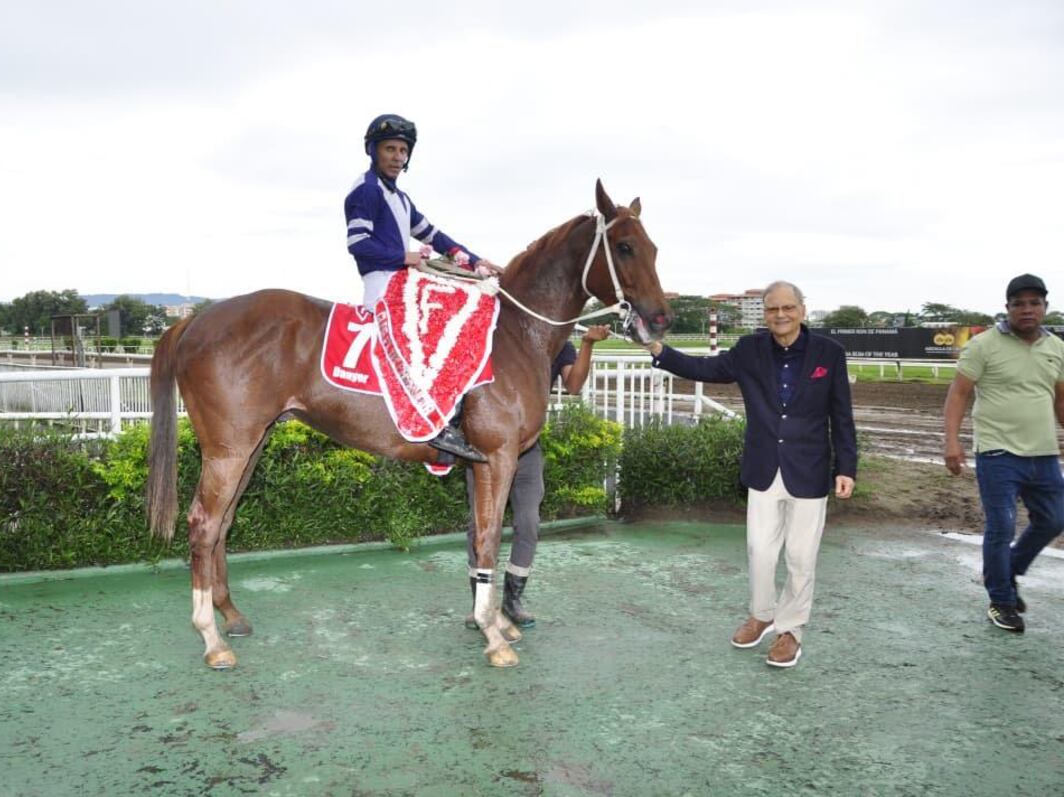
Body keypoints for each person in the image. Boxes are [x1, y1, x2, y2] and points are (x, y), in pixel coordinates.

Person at [645, 281, 857, 668]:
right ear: (764, 313)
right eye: (773, 309)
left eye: (788, 308)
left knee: (800, 556)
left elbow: (841, 415)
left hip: (809, 470)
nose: (781, 315)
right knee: (760, 551)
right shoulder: (749, 351)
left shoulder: (830, 354)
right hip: (762, 468)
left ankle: (790, 630)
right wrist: (657, 349)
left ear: (802, 310)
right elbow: (702, 368)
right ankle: (762, 614)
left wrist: (846, 467)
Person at [344, 113, 500, 463]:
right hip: (382, 282)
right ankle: (437, 422)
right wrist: (405, 256)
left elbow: (434, 235)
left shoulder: (400, 197)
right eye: (390, 149)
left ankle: (453, 411)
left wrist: (474, 260)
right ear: (374, 151)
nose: (398, 156)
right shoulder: (366, 190)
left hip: (401, 277)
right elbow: (358, 244)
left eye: (403, 150)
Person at [465, 324, 612, 629]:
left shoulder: (556, 346)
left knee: (528, 522)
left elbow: (573, 386)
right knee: (479, 524)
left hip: (527, 450)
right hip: (485, 450)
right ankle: (480, 603)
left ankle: (512, 600)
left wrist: (587, 344)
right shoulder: (498, 337)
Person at [943, 274, 1064, 634]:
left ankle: (1007, 569)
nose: (1027, 310)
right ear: (1007, 307)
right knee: (1002, 524)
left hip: (1043, 454)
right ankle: (1002, 601)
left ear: (1044, 307)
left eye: (1034, 303)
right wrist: (951, 440)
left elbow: (1060, 400)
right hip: (997, 454)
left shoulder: (1056, 347)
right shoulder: (984, 345)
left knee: (1055, 518)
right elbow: (959, 393)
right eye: (1019, 303)